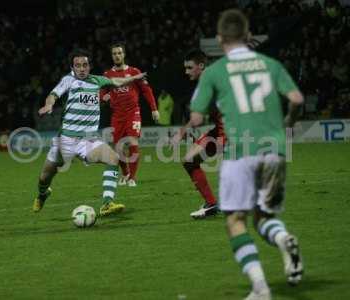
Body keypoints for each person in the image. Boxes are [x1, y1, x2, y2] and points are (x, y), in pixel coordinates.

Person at [189, 10, 304, 300]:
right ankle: (283, 238)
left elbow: (196, 115)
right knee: (264, 216)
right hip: (275, 150)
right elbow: (297, 99)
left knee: (236, 221)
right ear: (249, 36)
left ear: (219, 39)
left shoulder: (215, 71)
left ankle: (260, 288)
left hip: (241, 151)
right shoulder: (270, 64)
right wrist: (289, 122)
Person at [33, 49, 147, 216]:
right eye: (78, 65)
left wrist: (135, 78)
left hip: (87, 140)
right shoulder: (68, 80)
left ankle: (107, 203)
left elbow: (117, 81)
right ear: (72, 67)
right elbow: (53, 95)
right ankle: (43, 194)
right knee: (45, 177)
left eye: (85, 65)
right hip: (65, 140)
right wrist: (49, 104)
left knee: (113, 158)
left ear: (89, 66)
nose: (81, 68)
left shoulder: (97, 81)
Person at [171, 49, 226, 219]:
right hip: (219, 130)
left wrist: (180, 134)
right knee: (189, 160)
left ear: (201, 66)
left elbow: (197, 118)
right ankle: (211, 204)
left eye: (189, 68)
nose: (186, 72)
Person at [101, 43, 159, 187]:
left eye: (119, 53)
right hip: (117, 115)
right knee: (118, 147)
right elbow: (101, 92)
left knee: (132, 142)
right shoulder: (107, 75)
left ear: (124, 54)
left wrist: (154, 109)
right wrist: (103, 97)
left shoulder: (134, 72)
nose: (117, 56)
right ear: (112, 56)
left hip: (133, 112)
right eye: (114, 53)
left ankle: (132, 177)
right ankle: (125, 172)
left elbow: (147, 90)